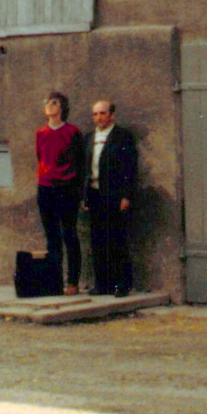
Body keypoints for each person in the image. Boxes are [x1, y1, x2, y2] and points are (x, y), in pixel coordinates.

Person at [83, 99, 137, 297]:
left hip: (115, 195)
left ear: (111, 115)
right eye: (95, 114)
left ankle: (121, 285)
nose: (99, 117)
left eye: (102, 113)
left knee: (116, 240)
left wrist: (126, 196)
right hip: (95, 194)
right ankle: (102, 284)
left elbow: (130, 168)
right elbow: (85, 169)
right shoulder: (89, 138)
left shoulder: (122, 136)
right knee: (98, 241)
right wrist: (86, 198)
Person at [34, 91, 85, 295]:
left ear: (62, 108)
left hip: (67, 188)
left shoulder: (73, 132)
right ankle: (55, 282)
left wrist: (76, 189)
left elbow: (79, 162)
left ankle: (73, 282)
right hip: (45, 187)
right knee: (51, 237)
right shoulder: (41, 133)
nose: (49, 106)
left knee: (69, 234)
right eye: (47, 102)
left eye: (54, 103)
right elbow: (41, 157)